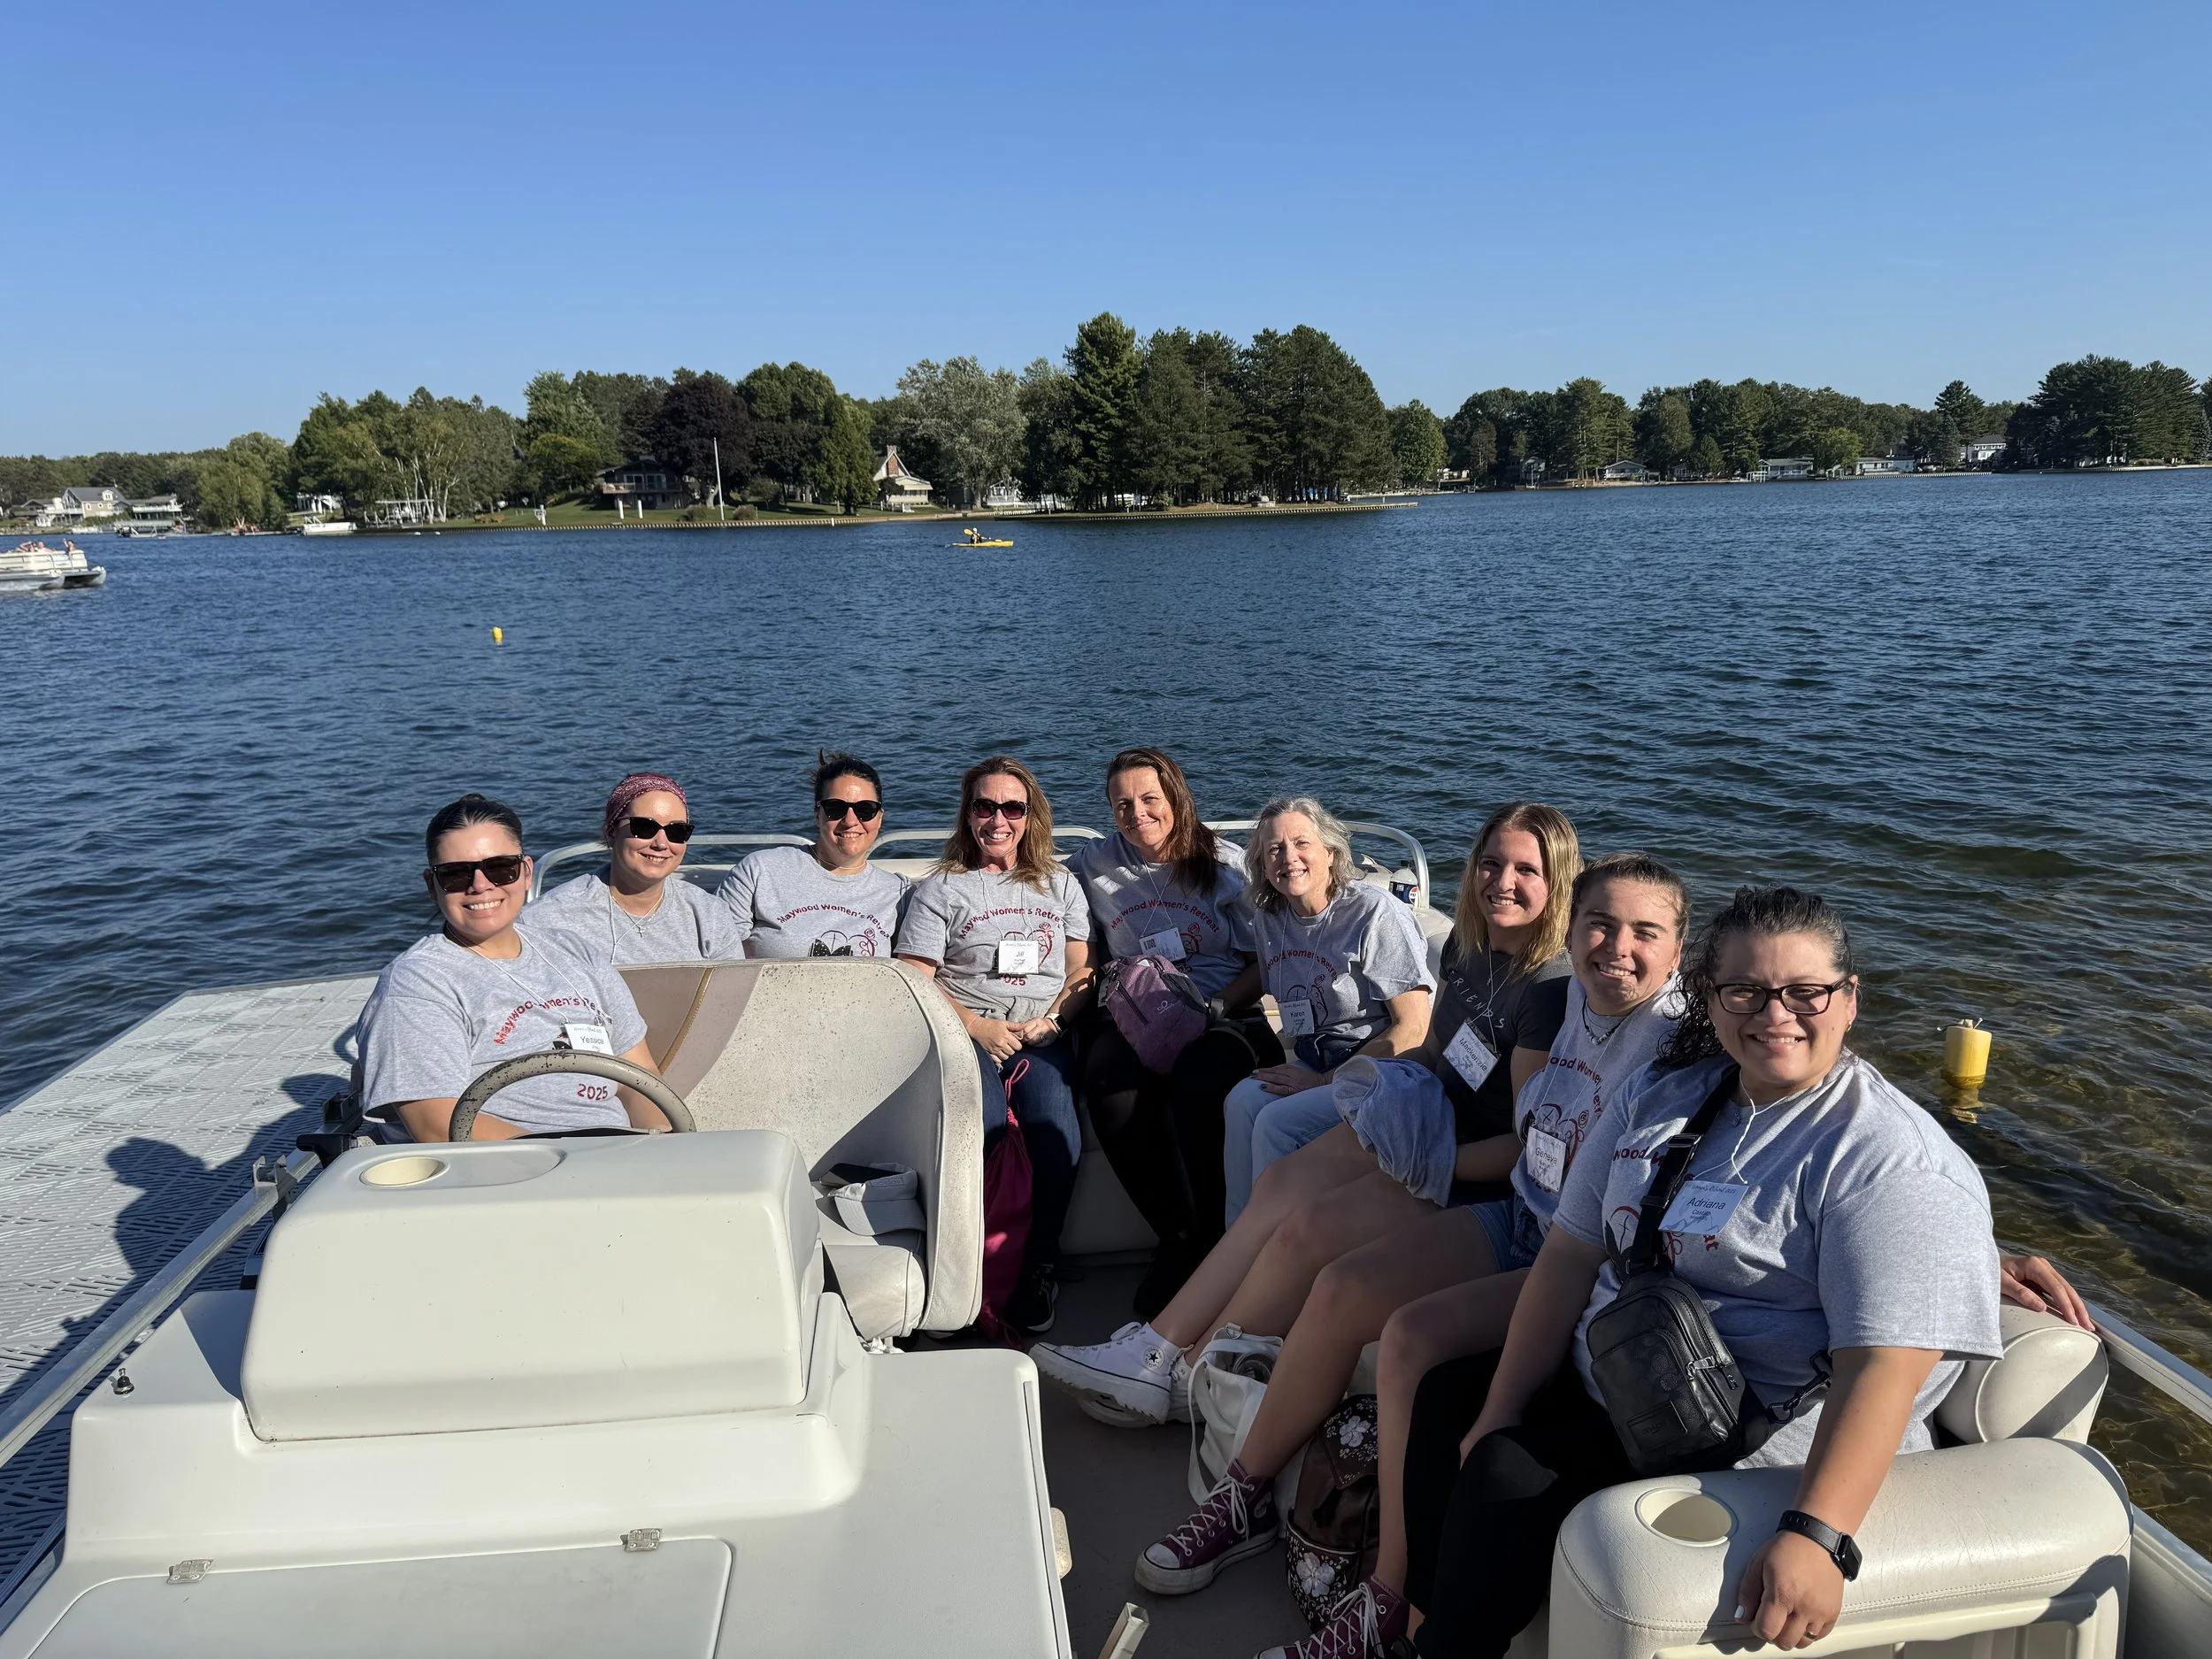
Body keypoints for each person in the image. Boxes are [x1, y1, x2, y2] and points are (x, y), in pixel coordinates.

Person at [1401, 886, 2003, 1657]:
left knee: (1507, 1472)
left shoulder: (1888, 1161)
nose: (1775, 1013)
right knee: (1452, 1397)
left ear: (1849, 1000)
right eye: (1745, 990)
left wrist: (1819, 1535)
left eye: (1805, 991)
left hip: (1742, 1434)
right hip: (1628, 1378)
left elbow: (1885, 1362)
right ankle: (1417, 1624)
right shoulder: (1665, 1094)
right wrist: (1503, 1400)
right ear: (1709, 999)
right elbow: (1569, 1252)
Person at [1110, 852, 1692, 1646]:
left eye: (1644, 932)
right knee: (1344, 1282)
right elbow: (1528, 1137)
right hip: (1523, 1213)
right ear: (1574, 922)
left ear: (1679, 948)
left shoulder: (1671, 1042)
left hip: (1566, 1253)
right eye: (1600, 923)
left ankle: (1385, 1600)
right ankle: (1241, 1497)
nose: (1616, 945)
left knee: (1410, 1340)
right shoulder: (1577, 1006)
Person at [1028, 809, 1586, 1437]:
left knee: (1301, 1228)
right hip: (1424, 1116)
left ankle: (1191, 1371)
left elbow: (1527, 1146)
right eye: (1490, 863)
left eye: (1525, 869)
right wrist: (1367, 1096)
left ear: (1560, 879)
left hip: (1469, 1168)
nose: (1500, 881)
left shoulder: (1547, 990)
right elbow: (1434, 1052)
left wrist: (1426, 1157)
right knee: (1278, 1187)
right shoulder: (1468, 945)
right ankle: (1155, 1350)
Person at [1069, 748, 1274, 1315]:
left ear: (1175, 797)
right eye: (1122, 804)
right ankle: (1177, 1238)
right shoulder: (1091, 865)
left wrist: (1216, 1006)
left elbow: (1266, 961)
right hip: (1137, 1016)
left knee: (1200, 1081)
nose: (1137, 814)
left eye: (1149, 799)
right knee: (1108, 1084)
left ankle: (1216, 1240)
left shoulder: (1227, 866)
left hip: (1226, 1011)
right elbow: (1041, 899)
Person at [895, 757, 1092, 1333]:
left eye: (1012, 807)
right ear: (968, 814)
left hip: (1041, 1035)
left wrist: (1055, 1018)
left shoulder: (1060, 883)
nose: (998, 819)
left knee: (1057, 1128)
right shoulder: (943, 889)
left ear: (1031, 816)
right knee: (979, 1127)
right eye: (985, 806)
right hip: (965, 1034)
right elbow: (915, 976)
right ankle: (966, 1269)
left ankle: (1038, 1264)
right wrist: (978, 1028)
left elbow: (1082, 968)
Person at [358, 793, 670, 1142]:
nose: (481, 885)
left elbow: (640, 1080)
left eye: (500, 868)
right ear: (432, 886)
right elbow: (437, 1126)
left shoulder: (577, 952)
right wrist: (581, 1162)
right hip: (511, 1175)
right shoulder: (419, 984)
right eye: (456, 874)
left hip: (618, 1155)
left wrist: (661, 1144)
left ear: (525, 872)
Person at [1223, 796, 1435, 1221]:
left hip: (1381, 1070)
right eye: (1274, 850)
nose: (1289, 858)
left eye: (1302, 843)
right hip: (1315, 1055)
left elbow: (1413, 1028)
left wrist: (1324, 1081)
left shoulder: (1373, 914)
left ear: (1331, 853)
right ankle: (1237, 1237)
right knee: (1242, 1101)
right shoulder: (1270, 919)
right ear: (1263, 865)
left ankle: (1269, 1252)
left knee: (1276, 1124)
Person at [526, 772, 743, 964]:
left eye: (677, 831)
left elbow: (734, 994)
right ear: (612, 832)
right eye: (644, 827)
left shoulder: (711, 914)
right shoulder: (549, 919)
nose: (661, 843)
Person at [718, 752, 910, 957]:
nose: (851, 820)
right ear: (817, 815)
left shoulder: (899, 893)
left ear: (880, 818)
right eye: (835, 808)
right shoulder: (760, 870)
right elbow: (717, 951)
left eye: (866, 809)